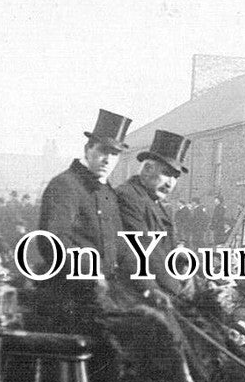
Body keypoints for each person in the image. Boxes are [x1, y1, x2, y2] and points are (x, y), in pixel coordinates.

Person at [33, 108, 131, 329]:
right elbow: (52, 242)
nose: (107, 160)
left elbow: (120, 246)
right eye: (103, 151)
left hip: (104, 295)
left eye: (114, 154)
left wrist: (147, 284)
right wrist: (91, 273)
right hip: (71, 297)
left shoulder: (108, 192)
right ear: (88, 149)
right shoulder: (65, 185)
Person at [116, 129, 193, 298]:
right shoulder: (128, 197)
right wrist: (179, 291)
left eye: (175, 177)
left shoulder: (157, 204)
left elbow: (171, 249)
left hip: (161, 285)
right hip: (136, 291)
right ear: (147, 169)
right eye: (167, 174)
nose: (170, 183)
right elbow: (147, 251)